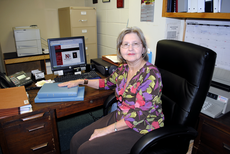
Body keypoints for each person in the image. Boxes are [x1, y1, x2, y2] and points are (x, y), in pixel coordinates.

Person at [58, 27, 164, 154]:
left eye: (135, 44)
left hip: (142, 127)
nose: (130, 48)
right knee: (76, 140)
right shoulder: (123, 69)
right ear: (120, 49)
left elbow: (140, 114)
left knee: (85, 150)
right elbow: (105, 83)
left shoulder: (150, 74)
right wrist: (80, 81)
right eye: (126, 44)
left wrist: (106, 130)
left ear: (143, 49)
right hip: (121, 117)